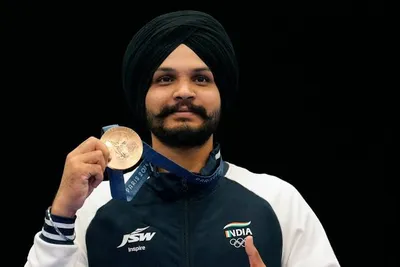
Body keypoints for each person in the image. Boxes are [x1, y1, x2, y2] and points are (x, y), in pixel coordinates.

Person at [24, 10, 341, 267]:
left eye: (201, 78)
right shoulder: (92, 208)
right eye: (165, 79)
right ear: (142, 95)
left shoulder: (278, 200)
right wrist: (62, 214)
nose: (184, 91)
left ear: (220, 94)